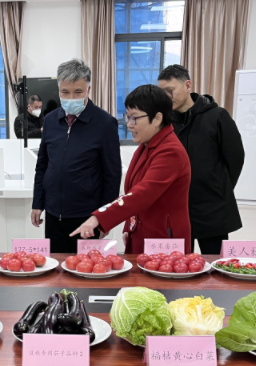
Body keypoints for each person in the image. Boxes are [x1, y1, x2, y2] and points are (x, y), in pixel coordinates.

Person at [71, 85, 191, 254]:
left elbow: (143, 194)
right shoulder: (147, 145)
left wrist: (99, 218)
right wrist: (129, 225)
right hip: (143, 231)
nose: (129, 125)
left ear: (157, 118)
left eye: (134, 118)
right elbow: (132, 192)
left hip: (163, 237)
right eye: (127, 117)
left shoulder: (170, 151)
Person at [31, 59, 121, 253]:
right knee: (56, 268)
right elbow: (42, 165)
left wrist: (104, 217)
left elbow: (112, 175)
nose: (71, 98)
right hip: (53, 214)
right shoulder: (50, 120)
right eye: (65, 92)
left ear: (88, 90)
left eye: (78, 92)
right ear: (58, 90)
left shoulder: (105, 123)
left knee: (87, 269)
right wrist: (38, 202)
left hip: (87, 218)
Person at [158, 64, 244, 254]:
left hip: (212, 207)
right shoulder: (166, 122)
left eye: (170, 91)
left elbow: (235, 158)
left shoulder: (217, 116)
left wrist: (220, 187)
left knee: (214, 264)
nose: (166, 97)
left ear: (187, 85)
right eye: (162, 92)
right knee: (178, 263)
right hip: (176, 207)